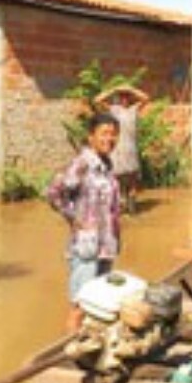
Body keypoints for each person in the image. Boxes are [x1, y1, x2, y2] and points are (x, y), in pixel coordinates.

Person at [44, 112, 123, 332]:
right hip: (87, 245)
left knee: (99, 303)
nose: (109, 139)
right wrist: (74, 218)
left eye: (114, 134)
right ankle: (70, 350)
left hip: (106, 246)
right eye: (104, 133)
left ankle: (89, 347)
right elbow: (53, 192)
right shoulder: (82, 163)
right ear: (91, 137)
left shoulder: (107, 166)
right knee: (79, 306)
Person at [94, 84, 149, 214]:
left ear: (130, 98)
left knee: (132, 180)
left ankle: (132, 208)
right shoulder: (114, 110)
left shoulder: (134, 109)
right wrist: (114, 90)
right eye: (122, 97)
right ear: (118, 99)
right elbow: (97, 100)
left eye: (127, 97)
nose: (124, 99)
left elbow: (146, 98)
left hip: (131, 150)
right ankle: (120, 206)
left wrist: (130, 89)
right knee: (117, 180)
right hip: (116, 151)